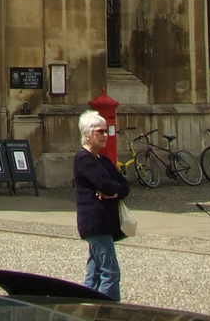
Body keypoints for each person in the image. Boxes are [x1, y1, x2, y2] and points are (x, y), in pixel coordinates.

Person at [74, 109, 131, 301]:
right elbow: (103, 184)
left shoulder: (104, 160)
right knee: (111, 271)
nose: (106, 136)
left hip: (106, 222)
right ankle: (108, 310)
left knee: (95, 271)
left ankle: (85, 305)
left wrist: (113, 191)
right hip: (95, 222)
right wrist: (112, 188)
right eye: (100, 132)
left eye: (106, 131)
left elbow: (124, 186)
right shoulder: (83, 159)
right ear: (87, 134)